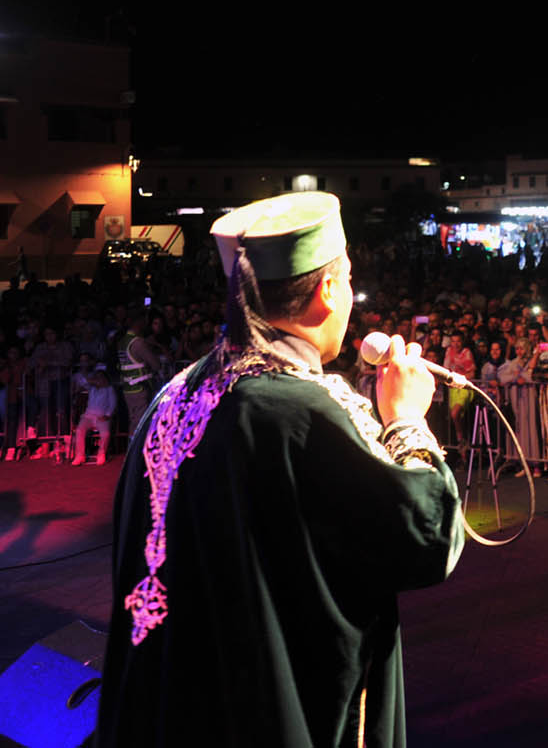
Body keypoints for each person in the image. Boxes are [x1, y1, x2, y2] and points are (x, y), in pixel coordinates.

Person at [97, 192, 464, 748]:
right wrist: (406, 419)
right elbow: (428, 537)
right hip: (268, 711)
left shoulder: (174, 393)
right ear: (327, 289)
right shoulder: (305, 409)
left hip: (172, 703)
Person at [71, 363, 117, 465]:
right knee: (79, 430)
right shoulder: (92, 388)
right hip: (88, 416)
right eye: (97, 376)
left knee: (105, 434)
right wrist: (92, 379)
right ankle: (80, 455)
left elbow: (113, 403)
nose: (98, 379)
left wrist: (107, 415)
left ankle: (101, 454)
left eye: (101, 377)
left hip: (102, 417)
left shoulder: (109, 389)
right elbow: (81, 381)